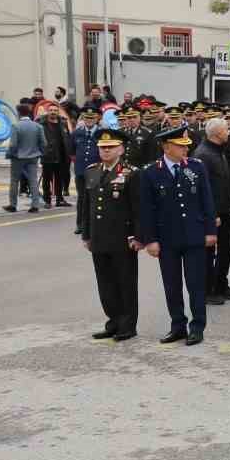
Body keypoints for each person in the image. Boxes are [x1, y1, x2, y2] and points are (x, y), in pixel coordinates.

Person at [137, 125, 218, 346]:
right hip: (167, 238)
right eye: (180, 146)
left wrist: (211, 231)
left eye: (186, 146)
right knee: (172, 285)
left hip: (194, 235)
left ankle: (197, 327)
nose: (185, 150)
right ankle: (178, 325)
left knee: (196, 285)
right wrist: (150, 239)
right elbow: (146, 209)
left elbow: (207, 201)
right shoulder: (151, 171)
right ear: (166, 147)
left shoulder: (196, 167)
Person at [80, 127, 141, 341]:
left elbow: (137, 208)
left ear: (121, 149)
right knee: (105, 283)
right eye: (102, 148)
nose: (105, 151)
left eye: (110, 147)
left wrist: (137, 235)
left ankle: (128, 325)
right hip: (98, 237)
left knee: (125, 282)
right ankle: (113, 321)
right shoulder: (92, 171)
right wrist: (86, 234)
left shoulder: (130, 173)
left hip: (122, 238)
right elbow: (86, 205)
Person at [193, 117, 230, 306]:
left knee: (226, 249)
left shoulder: (218, 151)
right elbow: (203, 189)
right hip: (212, 213)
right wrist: (210, 215)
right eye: (226, 130)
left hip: (223, 210)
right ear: (217, 134)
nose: (229, 132)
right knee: (208, 252)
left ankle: (221, 284)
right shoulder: (204, 154)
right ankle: (207, 290)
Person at [3, 102, 46, 213]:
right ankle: (35, 205)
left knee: (14, 181)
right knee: (33, 180)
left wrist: (9, 154)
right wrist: (40, 153)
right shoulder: (37, 126)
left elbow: (13, 145)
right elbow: (43, 143)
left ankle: (13, 205)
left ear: (18, 113)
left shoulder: (16, 126)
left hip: (18, 157)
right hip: (33, 156)